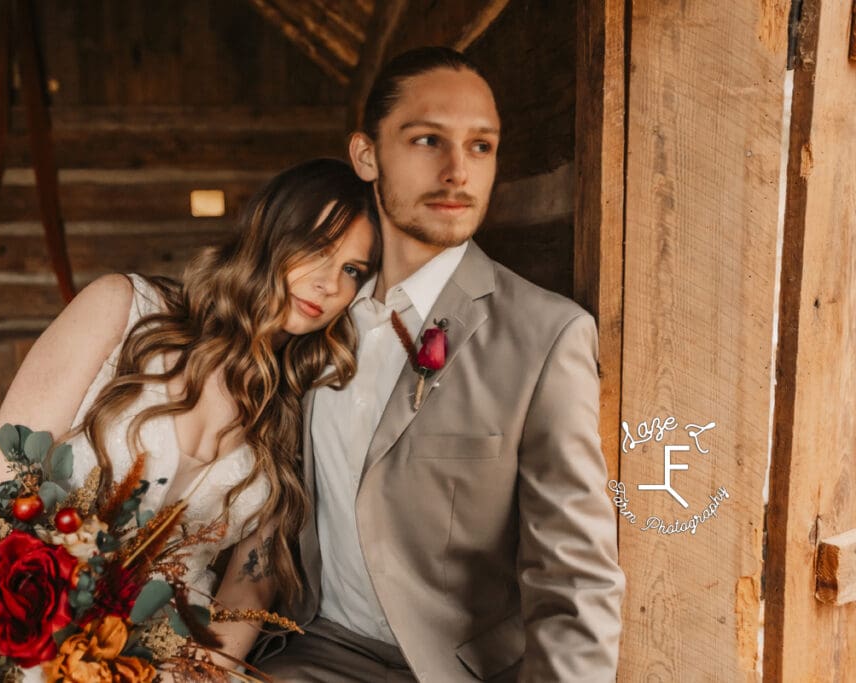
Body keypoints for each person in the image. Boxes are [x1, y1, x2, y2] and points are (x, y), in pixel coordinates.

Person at [256, 47, 625, 682]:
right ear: (367, 155)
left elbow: (575, 576)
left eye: (481, 146)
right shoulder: (316, 311)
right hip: (314, 650)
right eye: (429, 140)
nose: (458, 171)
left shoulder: (546, 334)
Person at [0, 157, 380, 665]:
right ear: (271, 230)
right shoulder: (124, 310)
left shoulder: (299, 406)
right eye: (318, 248)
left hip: (168, 656)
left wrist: (210, 674)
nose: (329, 284)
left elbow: (253, 578)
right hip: (25, 626)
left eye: (352, 270)